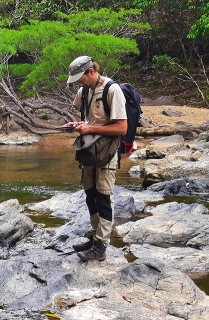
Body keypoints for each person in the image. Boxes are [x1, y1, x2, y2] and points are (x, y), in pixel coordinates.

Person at [65, 56, 127, 261]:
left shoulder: (112, 90)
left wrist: (90, 128)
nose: (78, 84)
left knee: (103, 197)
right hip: (89, 150)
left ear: (91, 71)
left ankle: (101, 246)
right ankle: (94, 238)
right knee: (90, 194)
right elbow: (87, 117)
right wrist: (79, 125)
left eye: (80, 79)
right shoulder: (84, 90)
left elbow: (121, 127)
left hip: (107, 151)